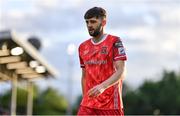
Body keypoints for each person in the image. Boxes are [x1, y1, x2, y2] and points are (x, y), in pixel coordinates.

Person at [77, 7, 127, 115]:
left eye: (93, 21)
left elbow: (121, 70)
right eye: (87, 22)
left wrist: (102, 87)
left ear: (103, 22)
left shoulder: (115, 41)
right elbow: (84, 76)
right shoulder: (82, 47)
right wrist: (85, 98)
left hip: (110, 106)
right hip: (88, 106)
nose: (89, 25)